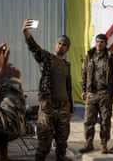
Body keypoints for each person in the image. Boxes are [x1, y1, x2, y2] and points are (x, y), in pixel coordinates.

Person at [22, 19, 73, 161]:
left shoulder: (66, 65)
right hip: (48, 110)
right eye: (59, 43)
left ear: (67, 48)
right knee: (44, 146)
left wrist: (70, 110)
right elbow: (34, 48)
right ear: (55, 45)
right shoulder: (47, 59)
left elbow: (68, 87)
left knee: (62, 145)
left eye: (64, 45)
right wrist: (26, 34)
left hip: (63, 109)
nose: (61, 46)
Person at [79, 34, 113, 154]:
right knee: (88, 120)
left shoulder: (111, 58)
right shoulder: (89, 56)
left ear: (106, 43)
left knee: (105, 120)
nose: (99, 44)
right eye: (97, 41)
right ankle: (88, 143)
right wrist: (83, 90)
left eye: (101, 42)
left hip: (105, 94)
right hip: (91, 93)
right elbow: (84, 74)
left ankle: (103, 144)